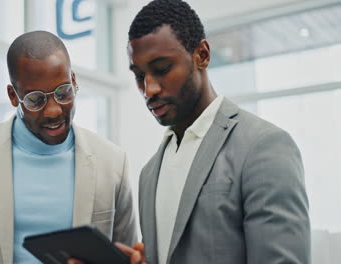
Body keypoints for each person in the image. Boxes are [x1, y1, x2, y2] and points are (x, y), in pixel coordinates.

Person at [117, 0, 311, 263]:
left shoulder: (263, 146)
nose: (149, 89)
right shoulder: (149, 173)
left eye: (162, 69)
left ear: (202, 55)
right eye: (139, 76)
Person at [0, 30, 137, 264]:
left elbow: (128, 258)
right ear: (13, 96)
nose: (53, 111)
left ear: (74, 81)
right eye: (35, 99)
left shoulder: (112, 162)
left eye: (63, 92)